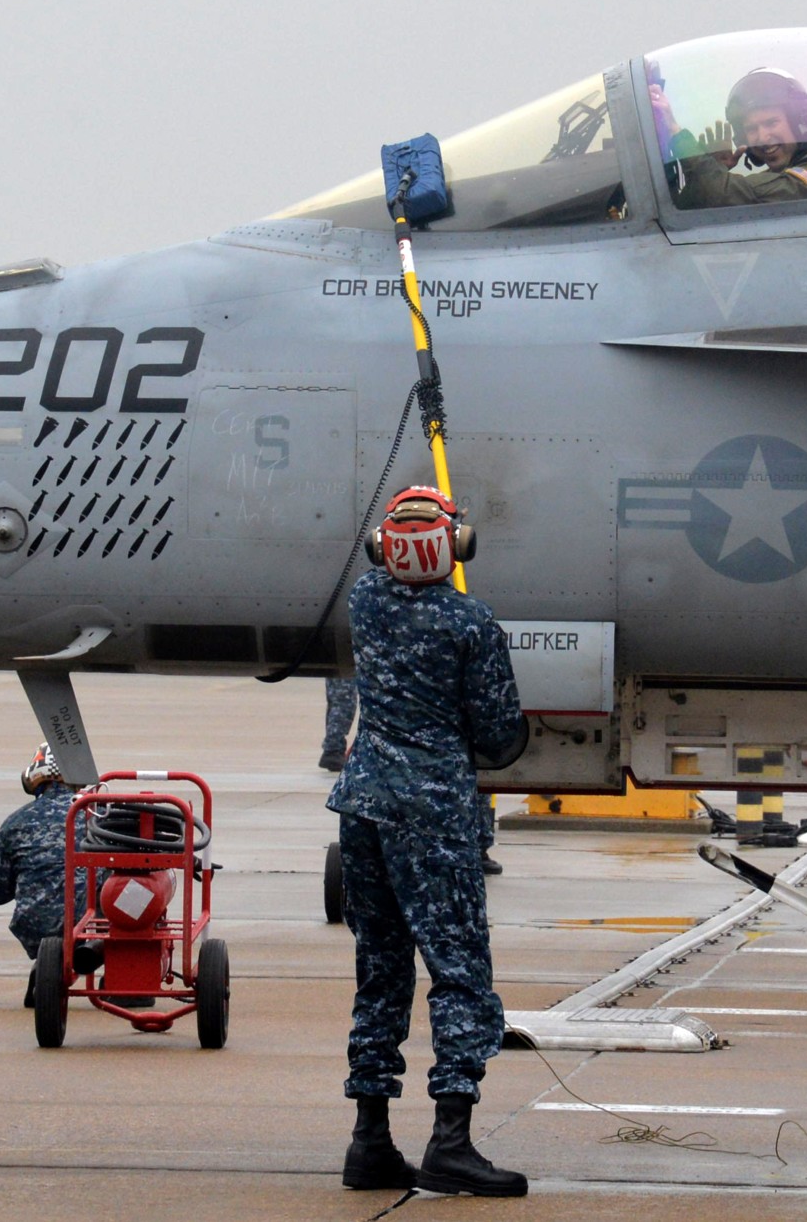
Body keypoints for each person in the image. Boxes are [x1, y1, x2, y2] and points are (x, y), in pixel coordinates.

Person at [328, 487, 530, 1197]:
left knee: (381, 969)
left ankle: (370, 1140)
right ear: (455, 547)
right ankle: (451, 1141)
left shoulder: (365, 603)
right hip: (435, 810)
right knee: (459, 969)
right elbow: (501, 737)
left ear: (386, 546)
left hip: (364, 802)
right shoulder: (470, 622)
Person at [652, 67, 807, 209]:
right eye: (751, 129)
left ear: (798, 122)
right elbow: (694, 209)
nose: (762, 137)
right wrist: (716, 169)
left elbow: (725, 195)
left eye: (771, 123)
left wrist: (675, 132)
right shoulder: (779, 177)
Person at [0, 744, 92, 1008]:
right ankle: (122, 980)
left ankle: (45, 965)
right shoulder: (98, 816)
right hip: (92, 929)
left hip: (34, 926)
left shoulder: (14, 823)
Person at [321, 676, 357, 772]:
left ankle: (334, 749)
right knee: (344, 700)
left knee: (337, 699)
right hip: (344, 663)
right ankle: (333, 749)